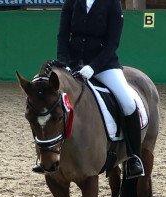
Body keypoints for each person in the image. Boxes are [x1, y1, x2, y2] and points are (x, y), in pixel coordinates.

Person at [33, 0, 144, 179]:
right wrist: (65, 63)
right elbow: (63, 35)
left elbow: (112, 43)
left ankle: (134, 158)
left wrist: (94, 67)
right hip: (72, 66)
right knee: (47, 103)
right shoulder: (71, 2)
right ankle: (42, 154)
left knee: (128, 104)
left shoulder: (112, 4)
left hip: (104, 66)